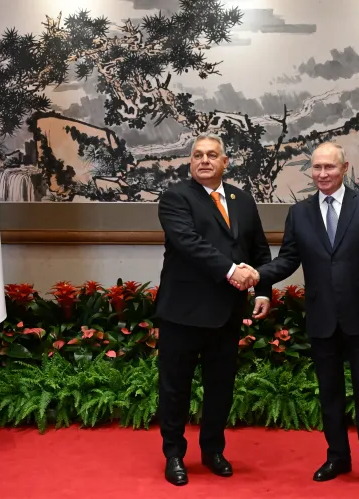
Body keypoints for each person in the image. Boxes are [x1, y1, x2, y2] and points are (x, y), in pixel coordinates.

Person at [231, 141, 359, 495]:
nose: (322, 174)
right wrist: (258, 276)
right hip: (322, 319)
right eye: (317, 168)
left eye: (330, 168)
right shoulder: (300, 212)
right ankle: (337, 457)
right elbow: (288, 259)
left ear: (345, 168)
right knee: (330, 393)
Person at [155, 132, 272, 486]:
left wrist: (263, 290)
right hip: (183, 313)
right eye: (197, 155)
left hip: (226, 313)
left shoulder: (242, 199)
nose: (204, 160)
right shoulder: (176, 197)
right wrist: (232, 270)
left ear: (225, 162)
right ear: (190, 162)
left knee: (220, 387)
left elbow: (259, 250)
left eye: (212, 155)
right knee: (175, 388)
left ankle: (213, 450)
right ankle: (174, 454)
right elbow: (189, 244)